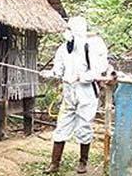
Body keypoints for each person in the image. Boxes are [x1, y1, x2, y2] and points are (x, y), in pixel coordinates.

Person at [40, 16, 109, 174]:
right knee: (62, 125)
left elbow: (97, 71)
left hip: (86, 93)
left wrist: (80, 77)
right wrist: (50, 73)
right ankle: (54, 163)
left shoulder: (89, 47)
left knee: (84, 126)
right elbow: (58, 70)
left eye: (70, 29)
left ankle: (83, 162)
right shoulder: (63, 49)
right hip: (69, 92)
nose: (67, 32)